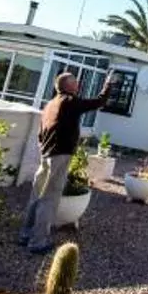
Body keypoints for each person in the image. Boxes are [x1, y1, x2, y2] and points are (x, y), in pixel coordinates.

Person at [20, 71, 114, 253]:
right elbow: (99, 102)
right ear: (68, 86)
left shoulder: (50, 104)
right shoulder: (69, 101)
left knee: (37, 195)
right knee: (50, 198)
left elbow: (40, 133)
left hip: (46, 155)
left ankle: (25, 234)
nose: (78, 84)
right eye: (75, 82)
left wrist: (44, 150)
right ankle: (37, 241)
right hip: (60, 154)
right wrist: (108, 85)